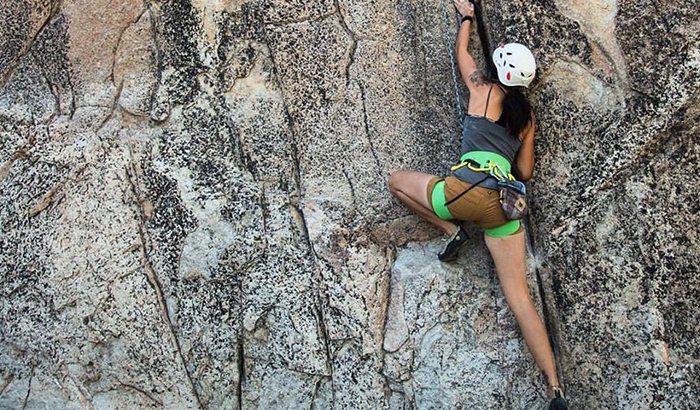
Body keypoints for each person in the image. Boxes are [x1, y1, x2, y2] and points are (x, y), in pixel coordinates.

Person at [387, 0, 567, 408]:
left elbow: (461, 55)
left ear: (499, 71)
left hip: (461, 194)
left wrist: (466, 17)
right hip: (502, 208)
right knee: (520, 297)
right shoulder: (527, 117)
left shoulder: (482, 92)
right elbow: (525, 171)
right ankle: (555, 388)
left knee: (397, 182)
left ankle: (450, 231)